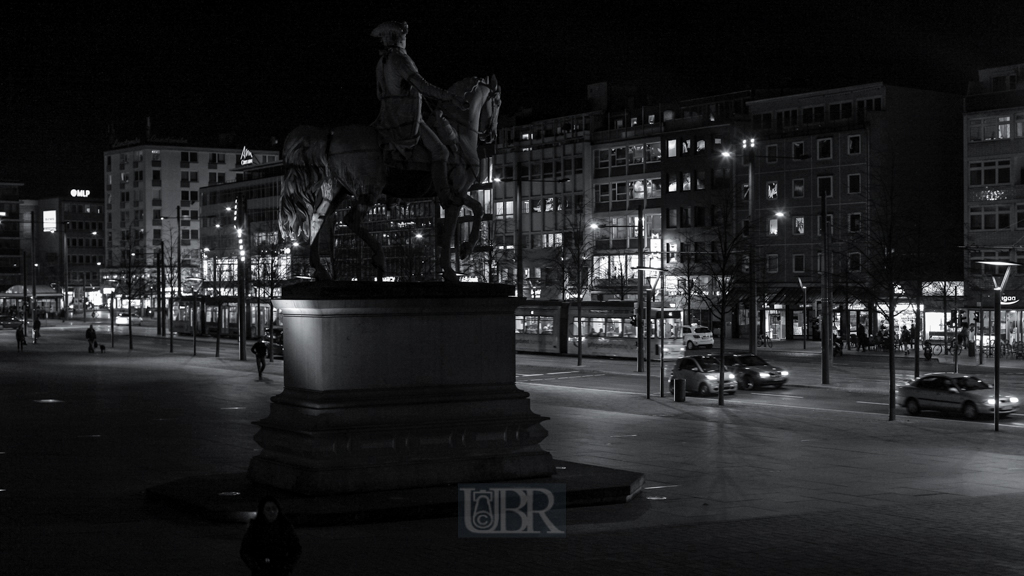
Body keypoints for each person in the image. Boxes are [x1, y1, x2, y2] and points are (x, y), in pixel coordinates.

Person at [370, 20, 468, 206]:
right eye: (404, 37)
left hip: (387, 117)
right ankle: (445, 196)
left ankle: (394, 193)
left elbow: (380, 92)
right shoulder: (400, 59)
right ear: (396, 38)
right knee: (441, 151)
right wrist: (450, 97)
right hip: (407, 120)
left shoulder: (382, 62)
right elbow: (423, 85)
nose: (405, 40)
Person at [240, 496, 301, 576]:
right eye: (268, 509)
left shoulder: (285, 527)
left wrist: (287, 567)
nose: (272, 512)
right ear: (263, 511)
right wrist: (255, 567)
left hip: (280, 570)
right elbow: (245, 550)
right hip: (261, 570)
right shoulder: (255, 528)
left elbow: (296, 548)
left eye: (274, 509)